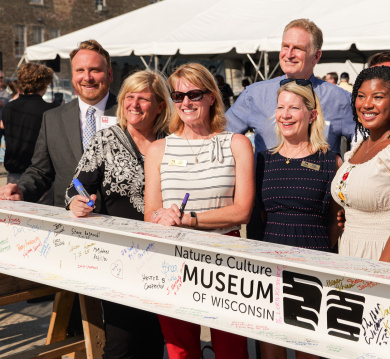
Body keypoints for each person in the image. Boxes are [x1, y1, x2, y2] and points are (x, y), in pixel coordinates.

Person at [144, 63, 253, 359]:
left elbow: (242, 211)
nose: (186, 103)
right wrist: (160, 216)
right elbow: (150, 213)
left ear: (211, 97)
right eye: (178, 97)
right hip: (173, 259)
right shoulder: (159, 149)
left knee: (232, 350)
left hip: (225, 259)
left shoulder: (236, 144)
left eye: (193, 94)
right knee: (180, 351)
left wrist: (191, 220)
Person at [66, 69, 170, 358]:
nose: (134, 105)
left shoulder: (172, 141)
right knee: (121, 342)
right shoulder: (105, 140)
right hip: (119, 257)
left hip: (163, 258)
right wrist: (77, 201)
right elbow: (75, 187)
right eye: (129, 97)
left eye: (144, 99)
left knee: (153, 338)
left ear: (160, 105)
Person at [256, 79, 341, 359]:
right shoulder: (264, 161)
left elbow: (336, 221)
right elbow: (258, 218)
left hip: (314, 270)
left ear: (312, 115)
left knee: (310, 353)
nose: (285, 114)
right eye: (281, 107)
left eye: (294, 108)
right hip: (270, 271)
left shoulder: (331, 161)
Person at [0, 39, 117, 207]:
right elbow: (40, 172)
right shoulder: (53, 118)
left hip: (119, 221)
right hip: (66, 221)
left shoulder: (130, 114)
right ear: (73, 76)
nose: (87, 77)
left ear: (110, 74)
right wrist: (21, 190)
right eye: (80, 70)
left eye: (95, 70)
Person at [332, 66, 390, 266]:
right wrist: (350, 209)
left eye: (377, 97)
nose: (366, 104)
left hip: (388, 260)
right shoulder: (357, 148)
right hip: (351, 252)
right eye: (361, 96)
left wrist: (377, 276)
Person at [226, 19, 353, 154]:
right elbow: (221, 137)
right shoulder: (254, 95)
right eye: (285, 46)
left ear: (316, 56)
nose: (289, 54)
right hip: (267, 175)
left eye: (298, 48)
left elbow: (365, 143)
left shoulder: (339, 99)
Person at [1, 64, 56, 193]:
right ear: (44, 84)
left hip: (14, 174)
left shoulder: (9, 108)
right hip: (40, 177)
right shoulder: (49, 111)